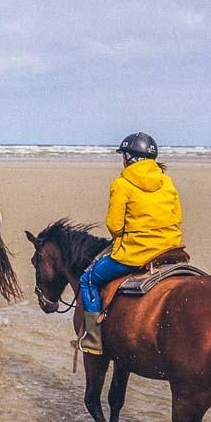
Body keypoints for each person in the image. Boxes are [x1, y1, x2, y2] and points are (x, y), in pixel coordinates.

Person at [78, 132, 183, 354]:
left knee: (88, 279)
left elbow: (114, 226)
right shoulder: (167, 181)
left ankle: (93, 340)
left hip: (136, 254)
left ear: (129, 158)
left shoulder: (122, 183)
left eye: (123, 156)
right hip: (171, 250)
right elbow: (178, 216)